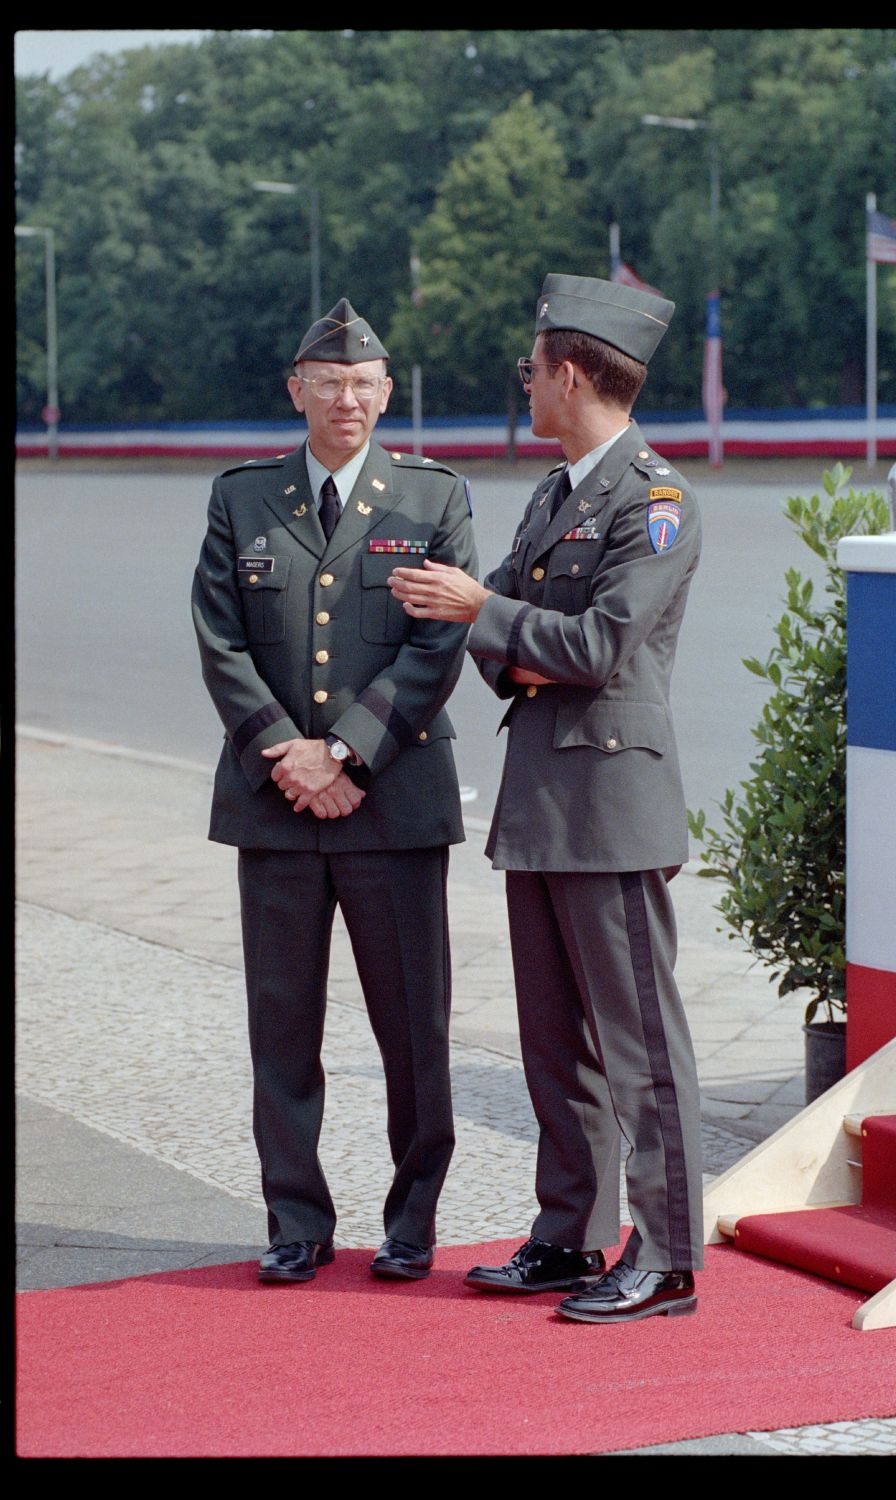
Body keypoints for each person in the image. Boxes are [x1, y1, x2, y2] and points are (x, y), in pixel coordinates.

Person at [389, 273, 703, 1324]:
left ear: (569, 371)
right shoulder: (554, 494)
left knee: (638, 1044)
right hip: (545, 800)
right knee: (553, 1040)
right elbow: (526, 652)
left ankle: (664, 1256)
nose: (525, 386)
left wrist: (490, 612)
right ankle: (567, 1235)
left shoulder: (655, 500)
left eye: (531, 370)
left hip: (611, 802)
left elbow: (599, 646)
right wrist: (509, 632)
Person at [192, 298, 477, 1284]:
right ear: (297, 391)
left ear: (387, 394)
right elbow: (221, 641)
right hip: (276, 807)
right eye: (329, 382)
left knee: (413, 1029)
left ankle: (412, 1222)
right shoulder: (242, 499)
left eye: (364, 384)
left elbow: (438, 647)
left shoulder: (433, 501)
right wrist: (289, 754)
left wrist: (346, 754)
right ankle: (296, 1223)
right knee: (281, 1028)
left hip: (392, 806)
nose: (346, 399)